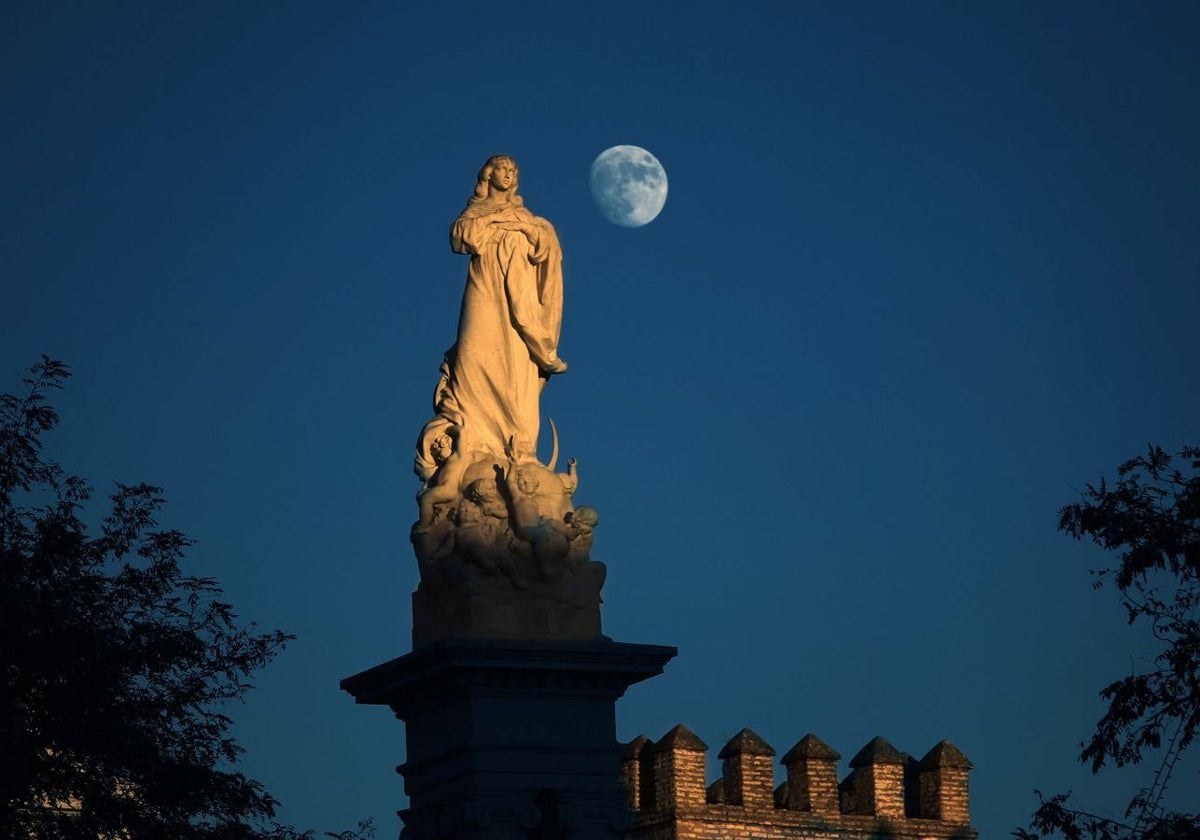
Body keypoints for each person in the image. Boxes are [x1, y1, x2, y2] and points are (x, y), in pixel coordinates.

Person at [415, 155, 567, 477]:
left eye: (514, 170)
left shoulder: (526, 217)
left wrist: (522, 225)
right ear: (489, 174)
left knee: (515, 365)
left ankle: (516, 445)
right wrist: (499, 221)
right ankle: (474, 439)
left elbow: (545, 245)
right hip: (484, 290)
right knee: (472, 355)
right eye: (503, 169)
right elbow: (461, 237)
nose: (509, 174)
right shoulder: (477, 211)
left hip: (519, 303)